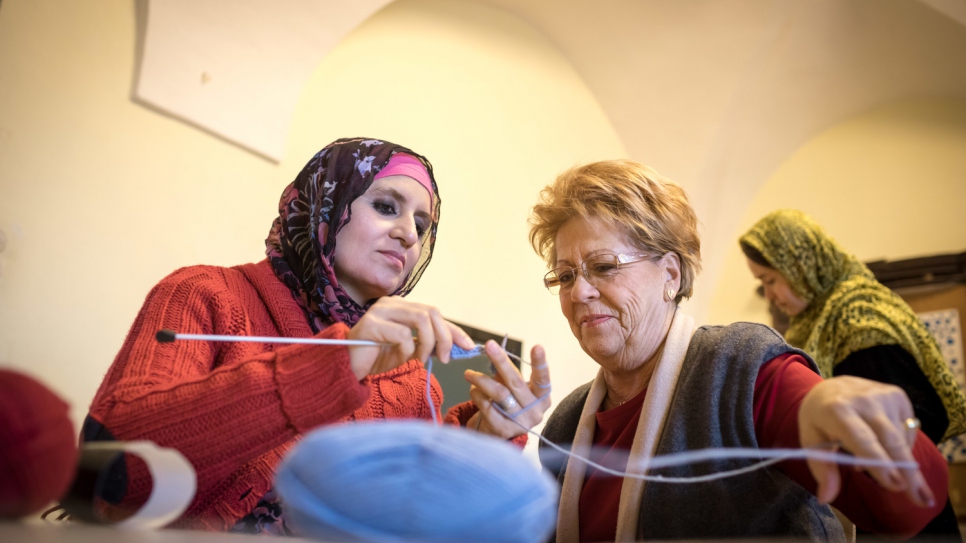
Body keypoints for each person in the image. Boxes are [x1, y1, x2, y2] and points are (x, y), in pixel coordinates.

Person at [82, 137, 551, 532]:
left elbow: (415, 524)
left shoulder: (413, 384)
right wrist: (335, 365)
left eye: (422, 224)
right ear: (325, 206)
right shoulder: (204, 294)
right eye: (387, 206)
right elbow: (113, 467)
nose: (409, 233)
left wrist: (485, 437)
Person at [528, 159, 949, 542]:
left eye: (603, 266)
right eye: (564, 277)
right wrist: (490, 439)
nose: (579, 292)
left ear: (670, 275)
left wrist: (866, 425)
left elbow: (907, 506)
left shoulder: (740, 370)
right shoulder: (566, 422)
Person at [740, 208, 966, 539]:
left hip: (909, 506)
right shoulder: (816, 322)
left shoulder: (856, 318)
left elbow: (921, 414)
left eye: (770, 280)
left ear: (801, 265)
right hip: (869, 503)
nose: (770, 296)